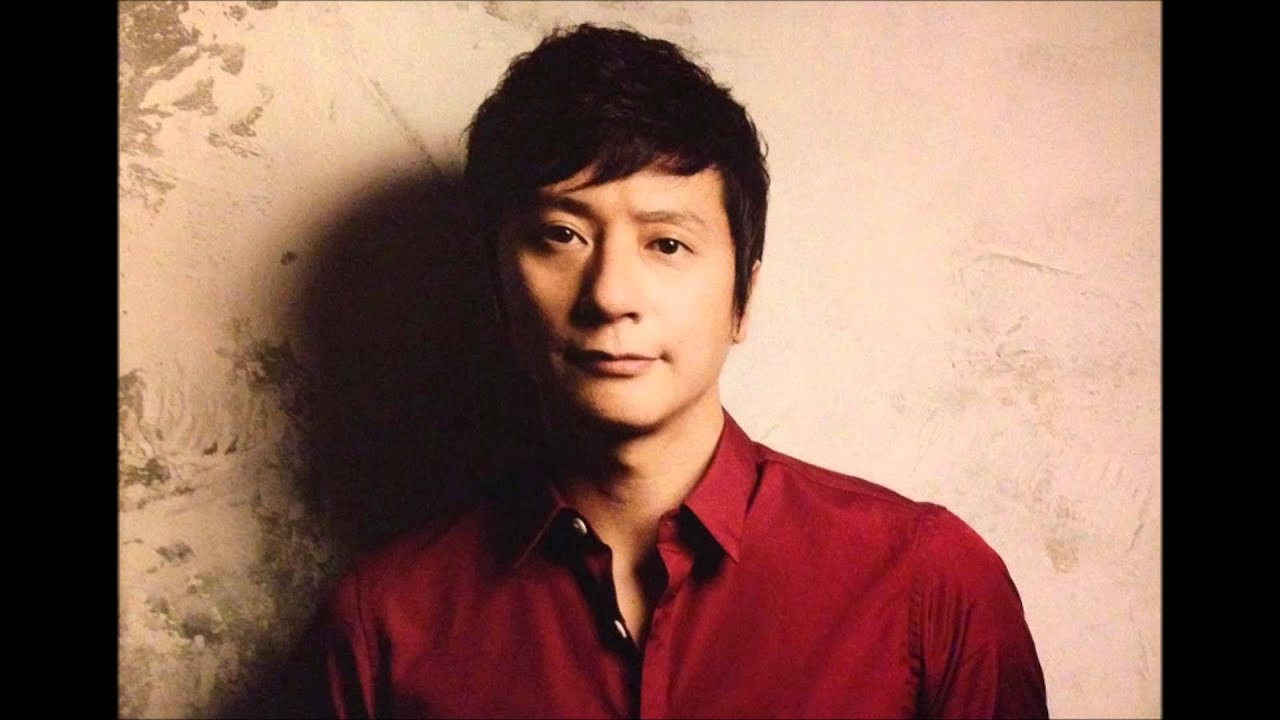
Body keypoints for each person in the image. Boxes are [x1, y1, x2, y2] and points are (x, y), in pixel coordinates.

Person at [303, 23, 1048, 719]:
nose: (610, 296)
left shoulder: (927, 586)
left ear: (742, 297)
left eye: (666, 244)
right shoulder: (380, 628)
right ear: (497, 288)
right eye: (561, 235)